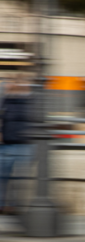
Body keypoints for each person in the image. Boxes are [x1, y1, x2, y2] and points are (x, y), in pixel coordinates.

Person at [0, 74, 33, 215]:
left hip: (25, 145)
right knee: (3, 177)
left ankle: (14, 206)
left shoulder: (31, 100)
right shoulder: (5, 100)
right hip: (7, 145)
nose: (9, 85)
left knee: (19, 179)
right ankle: (3, 205)